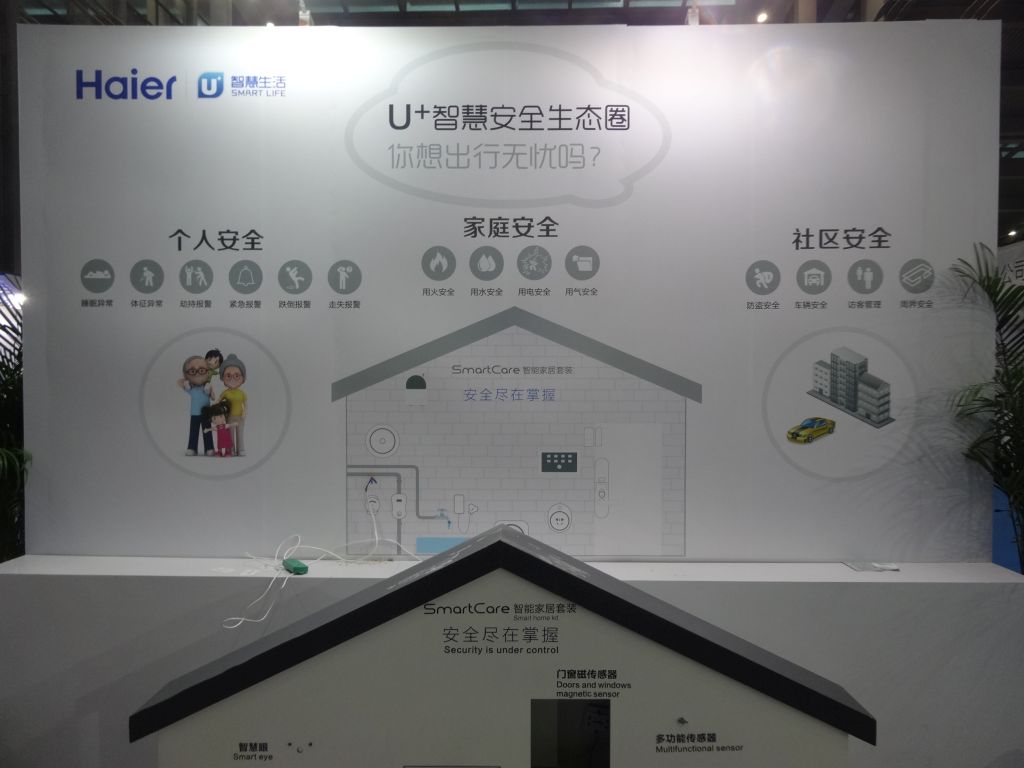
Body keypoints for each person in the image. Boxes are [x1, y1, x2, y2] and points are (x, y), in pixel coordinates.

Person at [177, 356, 214, 456]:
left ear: (208, 372)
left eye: (202, 370)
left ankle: (209, 448)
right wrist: (186, 382)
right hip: (194, 413)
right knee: (193, 432)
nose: (197, 374)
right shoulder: (191, 389)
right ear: (186, 374)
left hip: (206, 413)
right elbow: (179, 382)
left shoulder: (207, 387)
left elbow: (213, 397)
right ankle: (192, 447)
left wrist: (210, 389)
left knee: (207, 431)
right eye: (192, 371)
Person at [219, 353, 247, 456]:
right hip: (229, 417)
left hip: (240, 417)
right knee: (230, 434)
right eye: (228, 375)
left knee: (240, 433)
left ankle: (241, 449)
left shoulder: (242, 393)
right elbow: (218, 402)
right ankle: (230, 449)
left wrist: (244, 412)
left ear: (243, 378)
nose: (232, 379)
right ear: (223, 378)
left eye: (237, 375)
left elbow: (245, 404)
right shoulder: (225, 393)